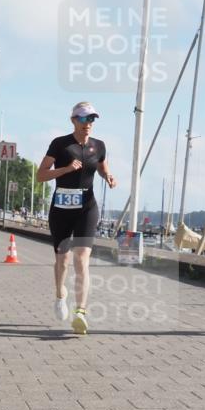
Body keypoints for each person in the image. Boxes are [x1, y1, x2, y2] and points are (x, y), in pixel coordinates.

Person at [37, 102, 116, 334]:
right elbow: (41, 175)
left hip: (86, 207)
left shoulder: (99, 146)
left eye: (91, 119)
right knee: (63, 260)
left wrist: (109, 176)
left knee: (82, 260)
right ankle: (60, 294)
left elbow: (102, 167)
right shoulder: (60, 144)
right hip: (61, 208)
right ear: (73, 120)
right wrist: (65, 169)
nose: (88, 124)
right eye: (83, 119)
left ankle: (81, 312)